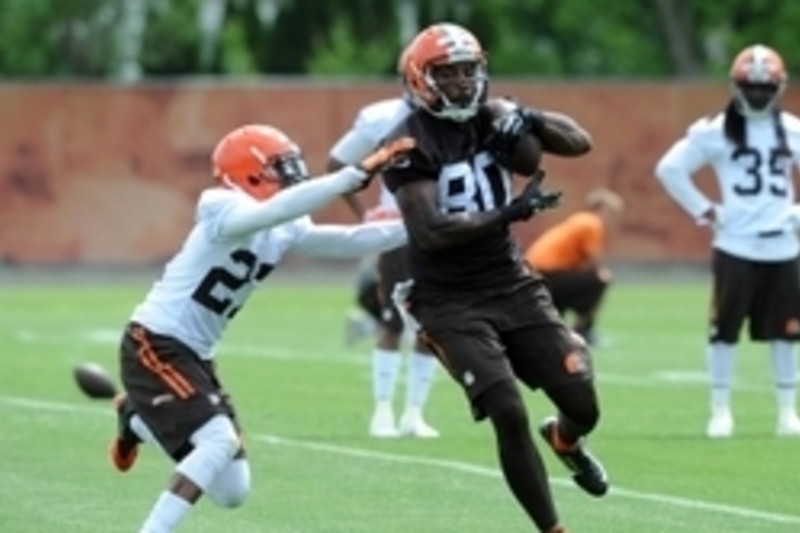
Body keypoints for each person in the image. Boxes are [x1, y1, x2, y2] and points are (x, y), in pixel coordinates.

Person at [108, 123, 413, 533]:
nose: (291, 175)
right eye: (280, 167)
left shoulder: (285, 222)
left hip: (197, 354)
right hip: (156, 341)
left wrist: (421, 229)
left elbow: (347, 239)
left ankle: (138, 418)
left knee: (232, 491)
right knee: (218, 441)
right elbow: (272, 211)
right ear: (248, 173)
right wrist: (350, 175)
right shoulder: (221, 204)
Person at [381, 22, 608, 533]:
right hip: (444, 297)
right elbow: (433, 231)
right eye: (448, 74)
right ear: (420, 79)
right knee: (507, 407)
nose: (461, 83)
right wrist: (511, 212)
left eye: (468, 71)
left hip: (511, 282)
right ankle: (553, 528)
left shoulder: (494, 114)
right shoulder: (405, 141)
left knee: (582, 405)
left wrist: (529, 115)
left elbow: (580, 142)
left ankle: (566, 440)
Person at [654, 43, 800, 439]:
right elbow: (669, 169)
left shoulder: (790, 129)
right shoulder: (716, 130)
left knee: (788, 331)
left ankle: (788, 411)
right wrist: (709, 211)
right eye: (750, 87)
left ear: (779, 87)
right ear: (736, 86)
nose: (757, 94)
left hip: (783, 244)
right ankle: (720, 410)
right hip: (736, 244)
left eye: (764, 87)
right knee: (724, 330)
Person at [327, 47, 440, 439]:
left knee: (434, 324)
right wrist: (365, 213)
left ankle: (414, 412)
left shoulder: (463, 118)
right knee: (392, 320)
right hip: (396, 229)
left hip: (444, 230)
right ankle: (382, 411)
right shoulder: (383, 117)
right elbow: (338, 162)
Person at [525, 188, 625, 346]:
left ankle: (557, 330)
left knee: (572, 286)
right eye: (612, 213)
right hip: (548, 273)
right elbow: (594, 257)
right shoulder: (591, 223)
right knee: (598, 281)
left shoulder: (580, 220)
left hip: (538, 272)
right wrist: (602, 273)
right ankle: (584, 330)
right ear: (602, 209)